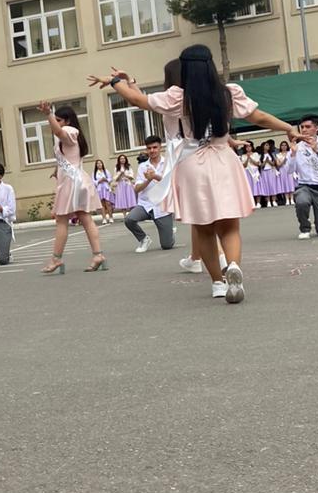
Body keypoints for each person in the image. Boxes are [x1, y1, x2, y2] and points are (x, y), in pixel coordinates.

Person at [90, 47, 300, 302]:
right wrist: (288, 128)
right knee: (229, 226)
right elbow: (260, 117)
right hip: (223, 160)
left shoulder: (177, 97)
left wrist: (115, 82)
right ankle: (233, 266)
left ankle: (218, 283)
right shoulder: (228, 93)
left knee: (204, 229)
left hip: (192, 165)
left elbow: (138, 101)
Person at [37, 100, 106, 273]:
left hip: (72, 182)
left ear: (67, 121)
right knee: (85, 218)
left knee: (62, 221)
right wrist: (57, 171)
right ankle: (98, 255)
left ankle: (56, 259)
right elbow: (66, 158)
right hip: (74, 180)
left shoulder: (69, 131)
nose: (56, 123)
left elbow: (59, 131)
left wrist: (48, 114)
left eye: (59, 120)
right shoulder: (70, 135)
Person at [124, 135, 176, 253]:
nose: (152, 150)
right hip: (145, 205)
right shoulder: (143, 166)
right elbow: (137, 189)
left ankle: (170, 233)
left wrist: (155, 176)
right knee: (129, 219)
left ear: (160, 147)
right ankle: (144, 239)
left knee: (167, 245)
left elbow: (171, 183)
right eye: (149, 148)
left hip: (162, 206)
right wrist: (148, 180)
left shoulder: (167, 163)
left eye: (155, 147)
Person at [92, 158, 114, 224]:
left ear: (102, 164)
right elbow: (93, 181)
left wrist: (106, 179)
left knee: (108, 203)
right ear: (96, 165)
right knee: (102, 204)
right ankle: (104, 218)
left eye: (100, 163)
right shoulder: (94, 173)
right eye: (98, 163)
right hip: (99, 189)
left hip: (106, 188)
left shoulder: (106, 171)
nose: (99, 164)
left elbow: (110, 179)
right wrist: (99, 181)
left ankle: (110, 217)